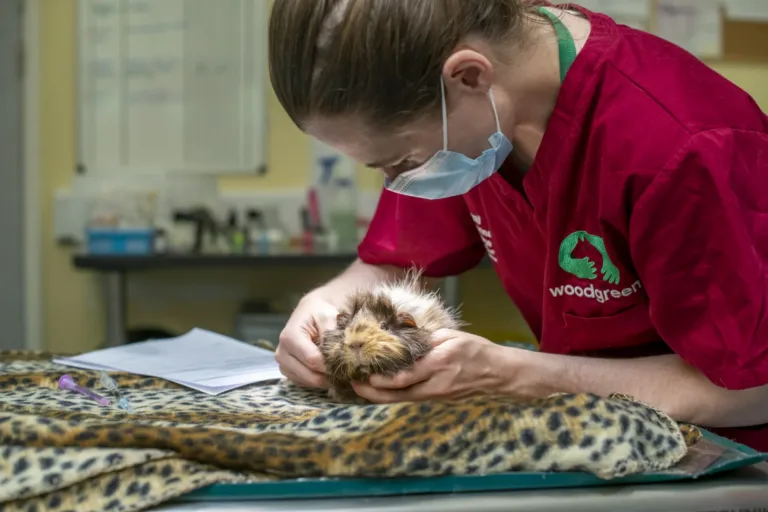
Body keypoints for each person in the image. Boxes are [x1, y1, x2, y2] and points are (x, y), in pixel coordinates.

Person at [268, 0, 768, 451]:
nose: (400, 183)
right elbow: (395, 261)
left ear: (467, 76)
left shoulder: (685, 147)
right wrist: (327, 303)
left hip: (723, 459)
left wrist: (516, 375)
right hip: (587, 435)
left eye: (402, 160)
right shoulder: (473, 123)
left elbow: (752, 390)